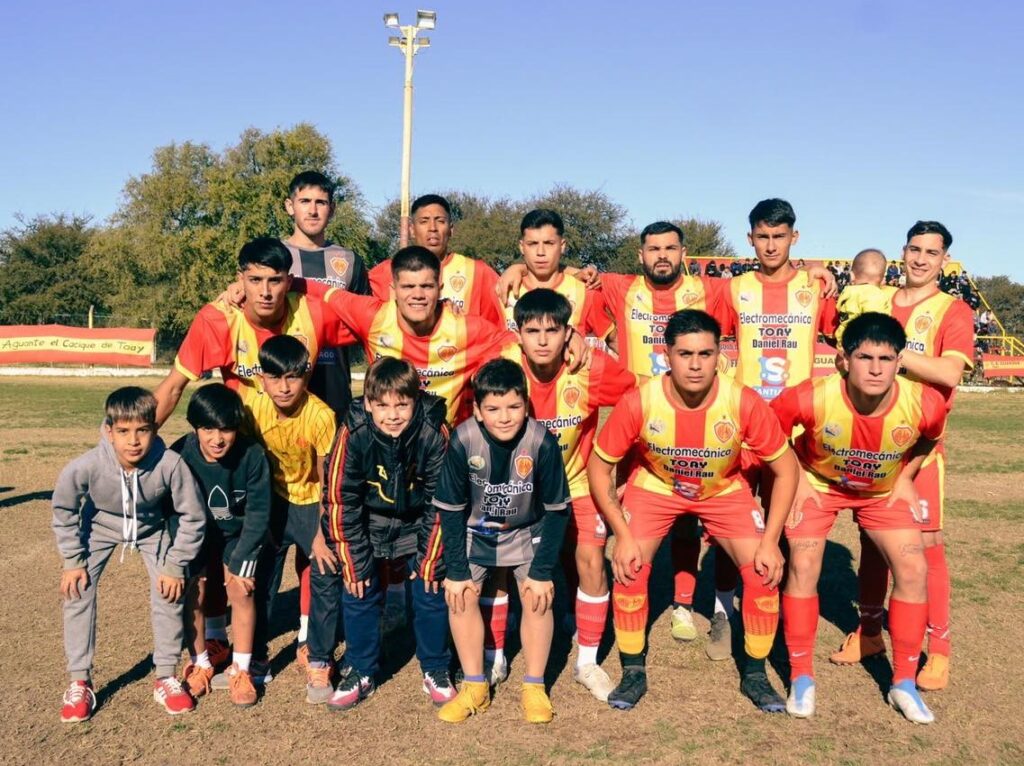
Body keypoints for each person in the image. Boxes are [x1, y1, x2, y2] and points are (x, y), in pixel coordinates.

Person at [587, 310, 799, 712]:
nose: (696, 364)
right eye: (685, 354)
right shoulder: (640, 400)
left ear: (720, 354)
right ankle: (633, 669)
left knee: (763, 571)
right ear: (667, 355)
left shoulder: (743, 400)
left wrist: (771, 541)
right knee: (629, 566)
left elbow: (787, 469)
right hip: (656, 487)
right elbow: (599, 468)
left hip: (722, 490)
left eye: (705, 353)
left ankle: (755, 674)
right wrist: (623, 535)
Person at [772, 312, 946, 724]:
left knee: (914, 569)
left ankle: (903, 684)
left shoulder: (924, 402)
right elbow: (771, 433)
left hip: (882, 493)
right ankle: (801, 676)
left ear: (899, 361)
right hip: (819, 485)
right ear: (844, 359)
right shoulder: (810, 396)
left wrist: (906, 477)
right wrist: (798, 479)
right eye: (865, 357)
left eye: (885, 359)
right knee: (803, 564)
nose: (875, 369)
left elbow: (931, 436)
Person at [831, 221, 974, 692]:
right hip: (874, 444)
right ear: (903, 252)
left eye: (931, 252)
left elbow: (949, 374)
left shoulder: (953, 310)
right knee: (873, 541)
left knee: (928, 546)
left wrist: (892, 352)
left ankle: (940, 650)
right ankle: (870, 633)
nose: (920, 259)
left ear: (944, 260)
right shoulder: (880, 300)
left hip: (921, 448)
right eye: (915, 249)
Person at [505, 289, 637, 701]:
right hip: (517, 486)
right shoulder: (502, 363)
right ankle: (495, 655)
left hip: (575, 482)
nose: (543, 340)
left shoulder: (591, 368)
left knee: (592, 560)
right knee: (498, 564)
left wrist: (625, 471)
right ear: (518, 334)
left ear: (568, 333)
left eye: (553, 330)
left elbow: (640, 402)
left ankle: (587, 662)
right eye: (533, 331)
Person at [306, 357, 454, 710]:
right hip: (368, 523)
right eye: (383, 406)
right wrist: (354, 562)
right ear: (369, 403)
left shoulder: (433, 431)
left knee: (430, 588)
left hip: (418, 521)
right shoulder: (353, 431)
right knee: (359, 588)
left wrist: (429, 558)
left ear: (416, 400)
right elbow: (340, 499)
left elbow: (443, 501)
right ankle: (361, 669)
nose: (392, 415)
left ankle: (436, 667)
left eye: (402, 405)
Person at [53, 387, 206, 722]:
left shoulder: (169, 464)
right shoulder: (89, 464)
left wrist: (175, 563)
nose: (133, 441)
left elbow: (193, 515)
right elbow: (64, 508)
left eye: (142, 430)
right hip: (99, 527)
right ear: (109, 431)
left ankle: (165, 676)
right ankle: (79, 680)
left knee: (169, 591)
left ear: (154, 428)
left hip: (152, 529)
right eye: (123, 431)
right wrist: (73, 560)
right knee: (77, 589)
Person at [433, 359, 572, 724]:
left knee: (538, 597)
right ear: (478, 411)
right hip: (476, 533)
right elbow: (451, 510)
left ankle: (534, 686)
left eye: (514, 406)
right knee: (460, 595)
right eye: (493, 409)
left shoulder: (541, 441)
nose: (505, 417)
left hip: (527, 532)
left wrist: (542, 572)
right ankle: (474, 686)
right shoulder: (463, 440)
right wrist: (457, 571)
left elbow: (557, 511)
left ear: (526, 405)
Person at [246, 335, 338, 684]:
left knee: (325, 571)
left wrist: (321, 533)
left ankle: (319, 657)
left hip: (312, 501)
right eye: (274, 377)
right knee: (260, 577)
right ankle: (255, 658)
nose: (284, 388)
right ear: (261, 378)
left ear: (306, 375)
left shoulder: (321, 416)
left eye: (292, 377)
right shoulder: (252, 410)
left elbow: (329, 480)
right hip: (271, 502)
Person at [172, 384, 271, 708]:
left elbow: (259, 512)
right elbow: (170, 508)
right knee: (195, 592)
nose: (217, 439)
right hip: (195, 534)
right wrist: (182, 555)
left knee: (241, 590)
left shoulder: (252, 455)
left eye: (226, 429)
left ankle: (241, 670)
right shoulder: (179, 454)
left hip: (237, 535)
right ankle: (200, 664)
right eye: (208, 429)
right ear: (195, 427)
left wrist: (242, 558)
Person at [282, 171, 371, 419]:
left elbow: (367, 322)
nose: (313, 211)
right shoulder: (274, 256)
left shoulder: (349, 260)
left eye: (320, 203)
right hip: (284, 383)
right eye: (304, 201)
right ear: (290, 206)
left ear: (332, 209)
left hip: (335, 385)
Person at [369, 194, 504, 325]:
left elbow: (499, 326)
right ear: (412, 229)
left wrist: (516, 269)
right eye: (424, 221)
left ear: (451, 229)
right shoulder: (384, 272)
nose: (432, 228)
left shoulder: (478, 272)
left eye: (440, 221)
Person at [501, 208, 611, 337]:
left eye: (549, 243)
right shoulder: (503, 290)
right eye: (532, 244)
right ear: (522, 247)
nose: (540, 252)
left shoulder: (585, 293)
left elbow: (615, 341)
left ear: (562, 245)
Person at [835, 249, 897, 345]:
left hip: (843, 342)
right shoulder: (875, 295)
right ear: (883, 279)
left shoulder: (847, 292)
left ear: (852, 276)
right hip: (863, 345)